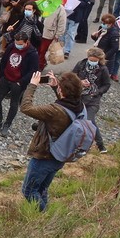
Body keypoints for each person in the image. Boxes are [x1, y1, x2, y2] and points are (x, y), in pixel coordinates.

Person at [19, 71, 83, 211]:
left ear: (62, 90)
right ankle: (45, 212)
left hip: (44, 156)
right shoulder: (79, 105)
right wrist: (56, 87)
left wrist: (32, 85)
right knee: (42, 189)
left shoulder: (54, 111)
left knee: (29, 191)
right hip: (60, 156)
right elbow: (66, 104)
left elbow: (25, 108)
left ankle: (44, 216)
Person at [0, 31, 40, 137]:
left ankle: (7, 124)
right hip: (5, 78)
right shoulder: (11, 47)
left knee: (14, 104)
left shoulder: (32, 53)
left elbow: (33, 70)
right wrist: (2, 76)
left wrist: (21, 82)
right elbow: (4, 60)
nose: (18, 45)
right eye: (16, 43)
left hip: (18, 82)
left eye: (20, 44)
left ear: (26, 42)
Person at [71, 47, 111, 153]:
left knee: (88, 121)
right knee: (79, 121)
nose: (92, 62)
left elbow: (107, 85)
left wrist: (97, 92)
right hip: (79, 97)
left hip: (93, 100)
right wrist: (80, 82)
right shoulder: (81, 64)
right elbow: (72, 76)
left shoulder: (103, 69)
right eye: (91, 60)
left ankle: (89, 146)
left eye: (95, 61)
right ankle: (94, 145)